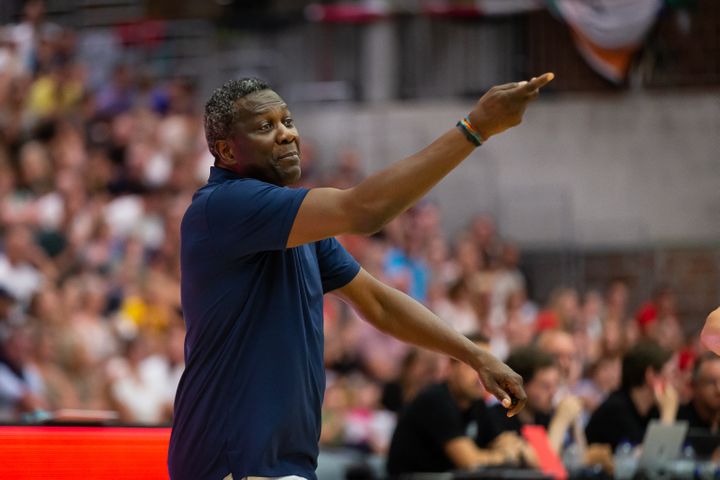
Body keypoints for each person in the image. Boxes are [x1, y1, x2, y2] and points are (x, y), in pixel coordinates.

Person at [168, 73, 554, 480]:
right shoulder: (225, 206)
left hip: (280, 462)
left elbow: (379, 303)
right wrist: (474, 129)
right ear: (227, 150)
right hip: (229, 462)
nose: (286, 135)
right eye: (266, 127)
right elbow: (366, 211)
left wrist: (475, 355)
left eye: (287, 121)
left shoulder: (297, 229)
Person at [386, 335, 532, 476]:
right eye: (474, 367)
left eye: (490, 369)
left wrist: (508, 452)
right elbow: (470, 462)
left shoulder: (477, 403)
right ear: (451, 366)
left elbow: (517, 448)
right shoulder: (436, 400)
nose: (482, 377)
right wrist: (503, 456)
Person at [585, 341, 679, 451]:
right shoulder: (615, 410)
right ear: (651, 376)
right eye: (672, 374)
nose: (676, 382)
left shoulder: (653, 409)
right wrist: (668, 413)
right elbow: (650, 459)